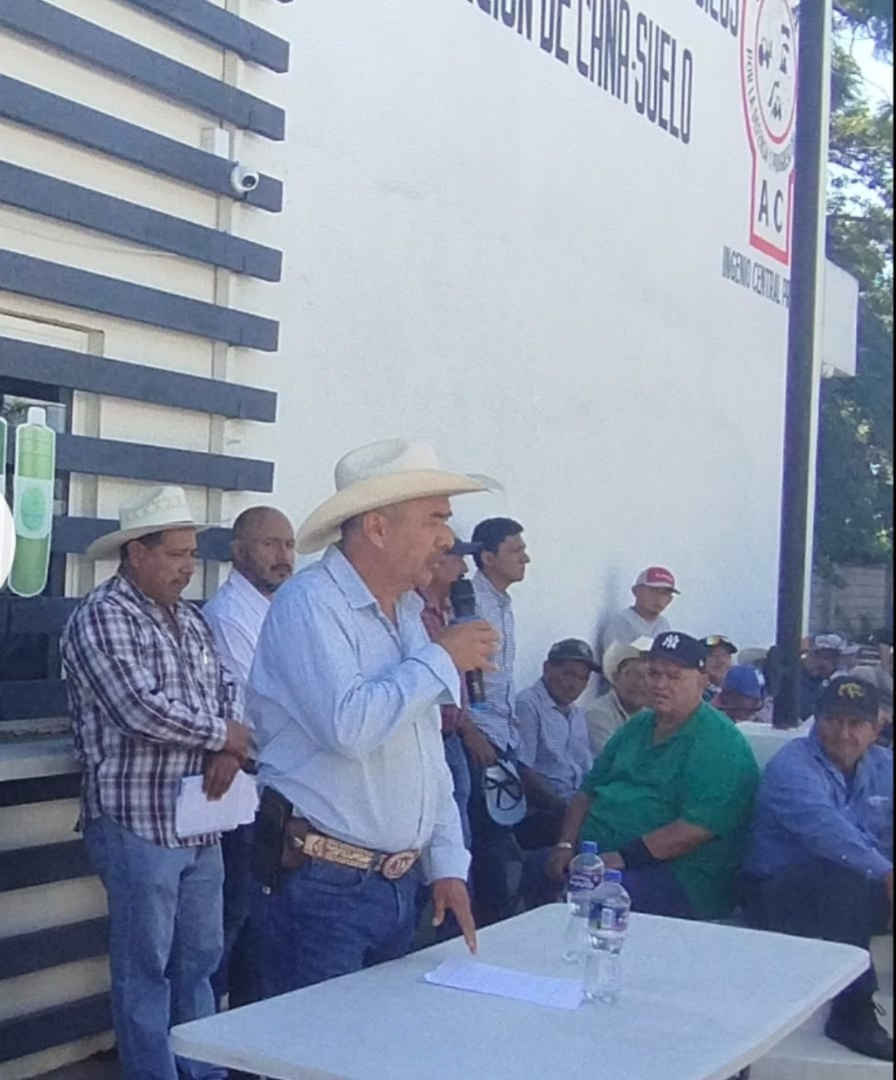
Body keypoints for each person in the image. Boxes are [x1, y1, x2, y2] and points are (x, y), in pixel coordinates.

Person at [246, 439, 497, 995]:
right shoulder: (309, 604)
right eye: (436, 519)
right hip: (321, 887)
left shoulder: (407, 612)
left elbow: (426, 750)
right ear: (379, 528)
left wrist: (448, 862)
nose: (448, 540)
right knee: (310, 1057)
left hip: (397, 886)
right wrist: (442, 657)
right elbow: (350, 727)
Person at [61, 486, 251, 1080]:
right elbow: (139, 711)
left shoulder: (191, 620)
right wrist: (221, 735)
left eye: (192, 553)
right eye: (174, 554)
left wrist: (226, 744)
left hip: (202, 819)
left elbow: (227, 689)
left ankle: (201, 1070)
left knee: (198, 962)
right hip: (136, 823)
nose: (187, 567)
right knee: (146, 969)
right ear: (136, 553)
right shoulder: (101, 616)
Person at [547, 632, 759, 919]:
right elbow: (588, 790)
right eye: (654, 673)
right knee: (537, 870)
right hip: (597, 858)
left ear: (701, 681)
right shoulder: (639, 725)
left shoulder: (721, 743)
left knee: (594, 898)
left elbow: (694, 829)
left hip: (679, 876)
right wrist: (565, 844)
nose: (660, 684)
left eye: (673, 676)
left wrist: (619, 859)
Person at [741, 676, 893, 1061]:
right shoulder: (792, 765)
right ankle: (852, 1011)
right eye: (833, 719)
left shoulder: (884, 766)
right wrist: (888, 873)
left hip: (860, 891)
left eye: (856, 723)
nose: (843, 733)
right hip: (779, 894)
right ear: (816, 721)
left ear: (877, 729)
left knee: (855, 878)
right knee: (843, 872)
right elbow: (829, 834)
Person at [202, 506, 295, 1011]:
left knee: (263, 919)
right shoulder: (227, 617)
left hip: (283, 789)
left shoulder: (284, 611)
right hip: (245, 785)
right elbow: (256, 713)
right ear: (238, 552)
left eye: (289, 545)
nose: (283, 557)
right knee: (232, 915)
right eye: (270, 545)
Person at [467, 516, 531, 925]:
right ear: (487, 557)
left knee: (498, 835)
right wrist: (469, 730)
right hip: (476, 736)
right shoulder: (470, 602)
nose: (526, 557)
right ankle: (482, 926)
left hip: (501, 735)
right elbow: (461, 675)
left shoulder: (502, 604)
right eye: (515, 549)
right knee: (486, 840)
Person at [416, 533, 486, 850]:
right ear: (438, 560)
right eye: (459, 558)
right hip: (426, 739)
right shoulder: (412, 610)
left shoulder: (452, 608)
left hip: (453, 737)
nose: (465, 568)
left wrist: (467, 724)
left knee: (459, 837)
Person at [516, 639, 596, 816]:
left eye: (583, 678)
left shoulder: (577, 714)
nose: (575, 685)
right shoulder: (528, 705)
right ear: (547, 668)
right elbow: (522, 770)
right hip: (543, 810)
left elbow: (587, 769)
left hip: (577, 804)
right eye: (569, 674)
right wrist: (566, 811)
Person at [584, 638, 652, 756]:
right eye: (633, 674)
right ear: (615, 677)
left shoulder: (651, 715)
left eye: (648, 676)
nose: (642, 683)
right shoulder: (597, 714)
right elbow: (613, 763)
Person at [600, 566, 679, 661]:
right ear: (636, 591)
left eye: (665, 593)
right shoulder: (623, 624)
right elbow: (615, 665)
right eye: (653, 590)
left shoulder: (663, 623)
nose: (659, 598)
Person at [799, 632, 846, 721]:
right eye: (826, 657)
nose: (828, 665)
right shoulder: (791, 681)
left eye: (833, 660)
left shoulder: (827, 684)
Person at [700, 634, 737, 701]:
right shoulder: (694, 696)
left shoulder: (738, 694)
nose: (721, 661)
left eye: (725, 655)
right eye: (712, 655)